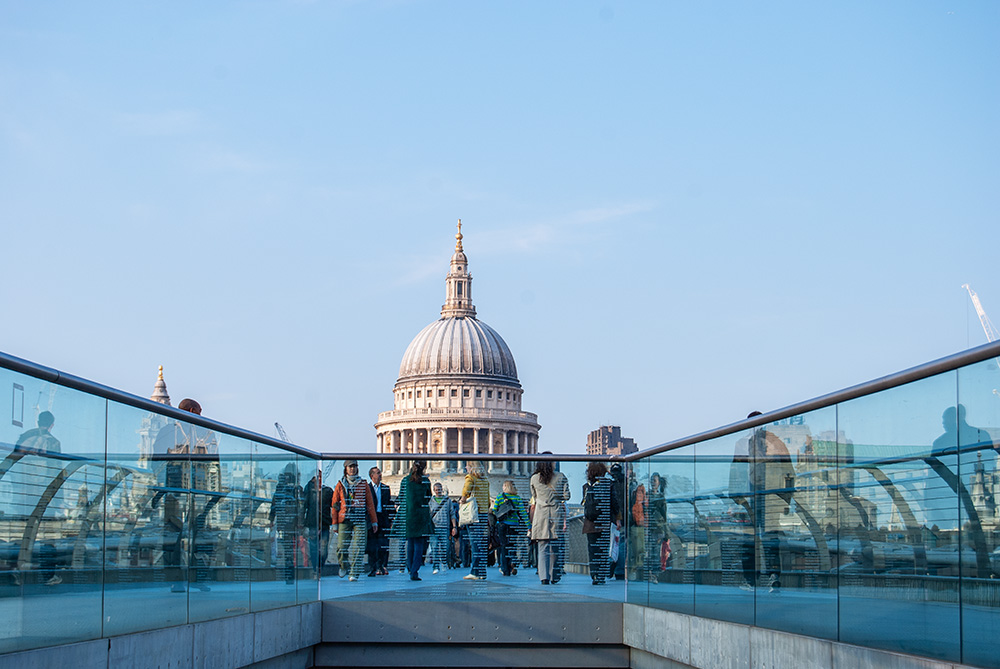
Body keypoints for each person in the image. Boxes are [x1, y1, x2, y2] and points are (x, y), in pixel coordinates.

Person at [331, 460, 377, 581]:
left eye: (355, 466)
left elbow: (370, 503)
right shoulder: (340, 484)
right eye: (350, 467)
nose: (352, 469)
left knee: (359, 546)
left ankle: (354, 573)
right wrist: (334, 523)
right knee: (341, 547)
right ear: (345, 469)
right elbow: (335, 505)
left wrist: (374, 521)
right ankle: (343, 565)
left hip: (360, 518)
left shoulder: (363, 483)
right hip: (344, 519)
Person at [529, 458, 570, 585]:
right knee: (555, 546)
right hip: (555, 512)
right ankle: (554, 575)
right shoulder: (560, 476)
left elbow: (534, 496)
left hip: (541, 513)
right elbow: (567, 496)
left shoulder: (534, 478)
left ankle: (543, 577)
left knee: (542, 546)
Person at [582, 462, 620, 585]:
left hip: (590, 523)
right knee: (603, 549)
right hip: (603, 521)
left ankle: (594, 575)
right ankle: (602, 576)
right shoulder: (608, 484)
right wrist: (617, 518)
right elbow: (614, 503)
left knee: (592, 549)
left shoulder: (586, 486)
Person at [400, 461, 433, 581]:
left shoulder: (406, 480)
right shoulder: (425, 481)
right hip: (421, 515)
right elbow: (428, 496)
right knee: (419, 544)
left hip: (409, 514)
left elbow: (401, 496)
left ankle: (410, 567)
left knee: (410, 543)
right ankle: (414, 570)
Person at [270, 465, 303, 584]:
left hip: (293, 524)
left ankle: (291, 576)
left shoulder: (297, 489)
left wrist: (300, 523)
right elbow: (274, 505)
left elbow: (301, 507)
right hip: (285, 524)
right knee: (288, 551)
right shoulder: (281, 489)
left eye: (290, 476)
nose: (288, 478)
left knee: (295, 551)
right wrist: (271, 520)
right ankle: (289, 577)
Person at [460, 461, 491, 580]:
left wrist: (463, 499)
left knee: (475, 543)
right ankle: (482, 572)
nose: (466, 467)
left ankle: (474, 572)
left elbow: (466, 490)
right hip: (483, 513)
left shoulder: (470, 477)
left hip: (474, 514)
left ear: (472, 467)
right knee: (481, 544)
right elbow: (488, 499)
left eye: (467, 465)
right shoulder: (484, 480)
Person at [492, 480, 528, 576]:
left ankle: (505, 569)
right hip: (514, 525)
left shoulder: (500, 497)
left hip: (503, 524)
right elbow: (523, 513)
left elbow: (494, 511)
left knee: (504, 546)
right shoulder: (517, 498)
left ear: (505, 487)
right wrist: (529, 525)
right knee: (512, 546)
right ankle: (512, 563)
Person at [367, 466, 393, 576]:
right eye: (378, 473)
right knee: (372, 544)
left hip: (383, 518)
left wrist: (391, 519)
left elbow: (389, 504)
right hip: (372, 518)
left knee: (384, 543)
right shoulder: (367, 488)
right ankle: (374, 567)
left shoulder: (386, 488)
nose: (380, 475)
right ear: (372, 476)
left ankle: (383, 565)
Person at [429, 482, 457, 573]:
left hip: (445, 527)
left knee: (446, 548)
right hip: (434, 528)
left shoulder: (448, 500)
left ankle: (444, 562)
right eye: (436, 490)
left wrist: (454, 527)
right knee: (435, 548)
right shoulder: (430, 501)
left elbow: (452, 514)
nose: (438, 491)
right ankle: (435, 567)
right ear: (434, 490)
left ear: (442, 490)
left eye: (439, 490)